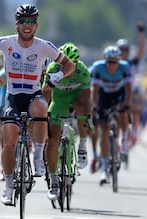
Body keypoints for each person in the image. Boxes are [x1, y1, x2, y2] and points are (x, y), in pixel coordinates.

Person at [0, 4, 75, 205]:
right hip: (13, 97)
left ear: (36, 25)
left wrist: (58, 75)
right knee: (9, 140)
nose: (27, 25)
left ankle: (38, 158)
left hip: (32, 95)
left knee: (41, 108)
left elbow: (69, 64)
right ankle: (9, 186)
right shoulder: (7, 42)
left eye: (31, 22)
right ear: (16, 24)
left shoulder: (44, 46)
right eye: (23, 22)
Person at [42, 42, 92, 200]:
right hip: (58, 101)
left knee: (82, 106)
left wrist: (85, 118)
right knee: (52, 139)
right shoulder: (53, 70)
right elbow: (46, 95)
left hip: (75, 99)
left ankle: (82, 145)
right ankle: (53, 180)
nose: (68, 67)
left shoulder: (83, 71)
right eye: (64, 63)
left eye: (72, 64)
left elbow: (86, 98)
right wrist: (44, 118)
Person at [89, 46, 132, 184]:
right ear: (104, 61)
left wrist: (126, 105)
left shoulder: (125, 67)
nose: (112, 65)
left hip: (119, 94)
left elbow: (129, 89)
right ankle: (104, 168)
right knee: (104, 129)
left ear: (119, 61)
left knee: (123, 113)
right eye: (109, 62)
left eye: (115, 62)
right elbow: (94, 91)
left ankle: (124, 139)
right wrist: (95, 107)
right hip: (104, 95)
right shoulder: (98, 67)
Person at [116, 21, 146, 149]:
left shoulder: (132, 62)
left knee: (135, 110)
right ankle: (117, 137)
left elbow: (141, 49)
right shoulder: (113, 63)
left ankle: (134, 132)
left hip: (133, 90)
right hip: (118, 91)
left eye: (126, 50)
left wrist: (141, 33)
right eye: (121, 50)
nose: (124, 52)